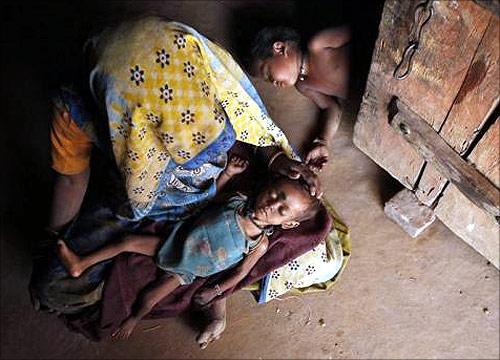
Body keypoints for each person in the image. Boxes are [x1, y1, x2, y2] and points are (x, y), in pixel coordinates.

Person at [34, 15, 323, 347]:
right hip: (144, 203)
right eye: (187, 156)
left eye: (209, 145)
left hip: (185, 247)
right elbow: (71, 183)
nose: (272, 203)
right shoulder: (77, 113)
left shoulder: (191, 57)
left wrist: (279, 157)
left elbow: (251, 119)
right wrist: (51, 246)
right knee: (54, 286)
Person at [55, 156, 320, 339]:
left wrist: (216, 290)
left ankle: (133, 319)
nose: (271, 205)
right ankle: (81, 264)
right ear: (268, 186)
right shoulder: (238, 202)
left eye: (282, 210)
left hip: (186, 272)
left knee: (151, 297)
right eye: (275, 194)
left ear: (287, 223)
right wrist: (227, 174)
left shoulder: (258, 244)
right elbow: (210, 199)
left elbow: (240, 274)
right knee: (125, 242)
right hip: (174, 241)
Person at [250, 25, 351, 173]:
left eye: (268, 74)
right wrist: (323, 140)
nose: (273, 83)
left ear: (279, 48)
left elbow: (358, 32)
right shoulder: (303, 85)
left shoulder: (318, 45)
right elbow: (331, 107)